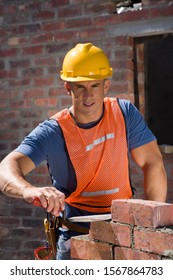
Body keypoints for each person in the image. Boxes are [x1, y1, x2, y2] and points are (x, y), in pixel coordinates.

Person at [0, 43, 167, 260]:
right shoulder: (53, 131)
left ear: (106, 85)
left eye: (95, 86)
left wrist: (152, 225)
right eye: (80, 87)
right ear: (68, 87)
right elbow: (6, 168)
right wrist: (28, 190)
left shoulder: (124, 114)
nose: (88, 95)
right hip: (75, 237)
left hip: (123, 233)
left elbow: (152, 162)